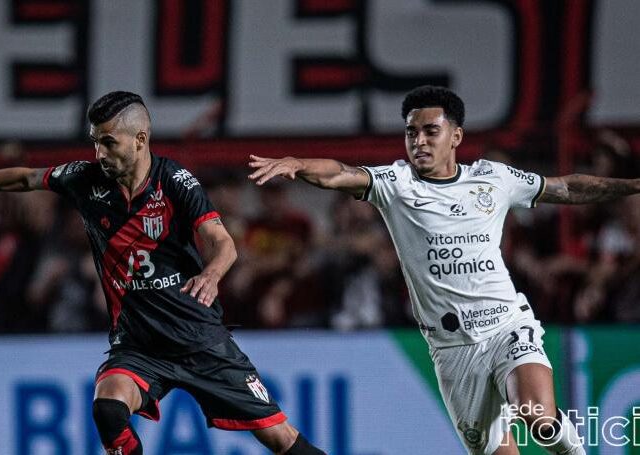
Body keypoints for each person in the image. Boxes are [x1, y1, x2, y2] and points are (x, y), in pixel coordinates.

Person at [0, 91, 325, 455]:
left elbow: (223, 243)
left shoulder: (176, 182)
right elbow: (24, 179)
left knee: (280, 438)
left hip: (199, 339)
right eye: (95, 142)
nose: (99, 153)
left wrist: (211, 275)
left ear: (140, 139)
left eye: (109, 142)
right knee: (108, 408)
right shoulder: (86, 180)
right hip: (139, 346)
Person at [248, 86, 639, 454]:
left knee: (535, 416)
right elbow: (338, 173)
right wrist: (298, 164)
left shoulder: (493, 179)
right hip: (452, 350)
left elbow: (566, 188)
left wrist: (633, 186)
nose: (419, 141)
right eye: (411, 132)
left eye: (430, 131)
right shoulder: (395, 184)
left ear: (456, 136)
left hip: (505, 325)